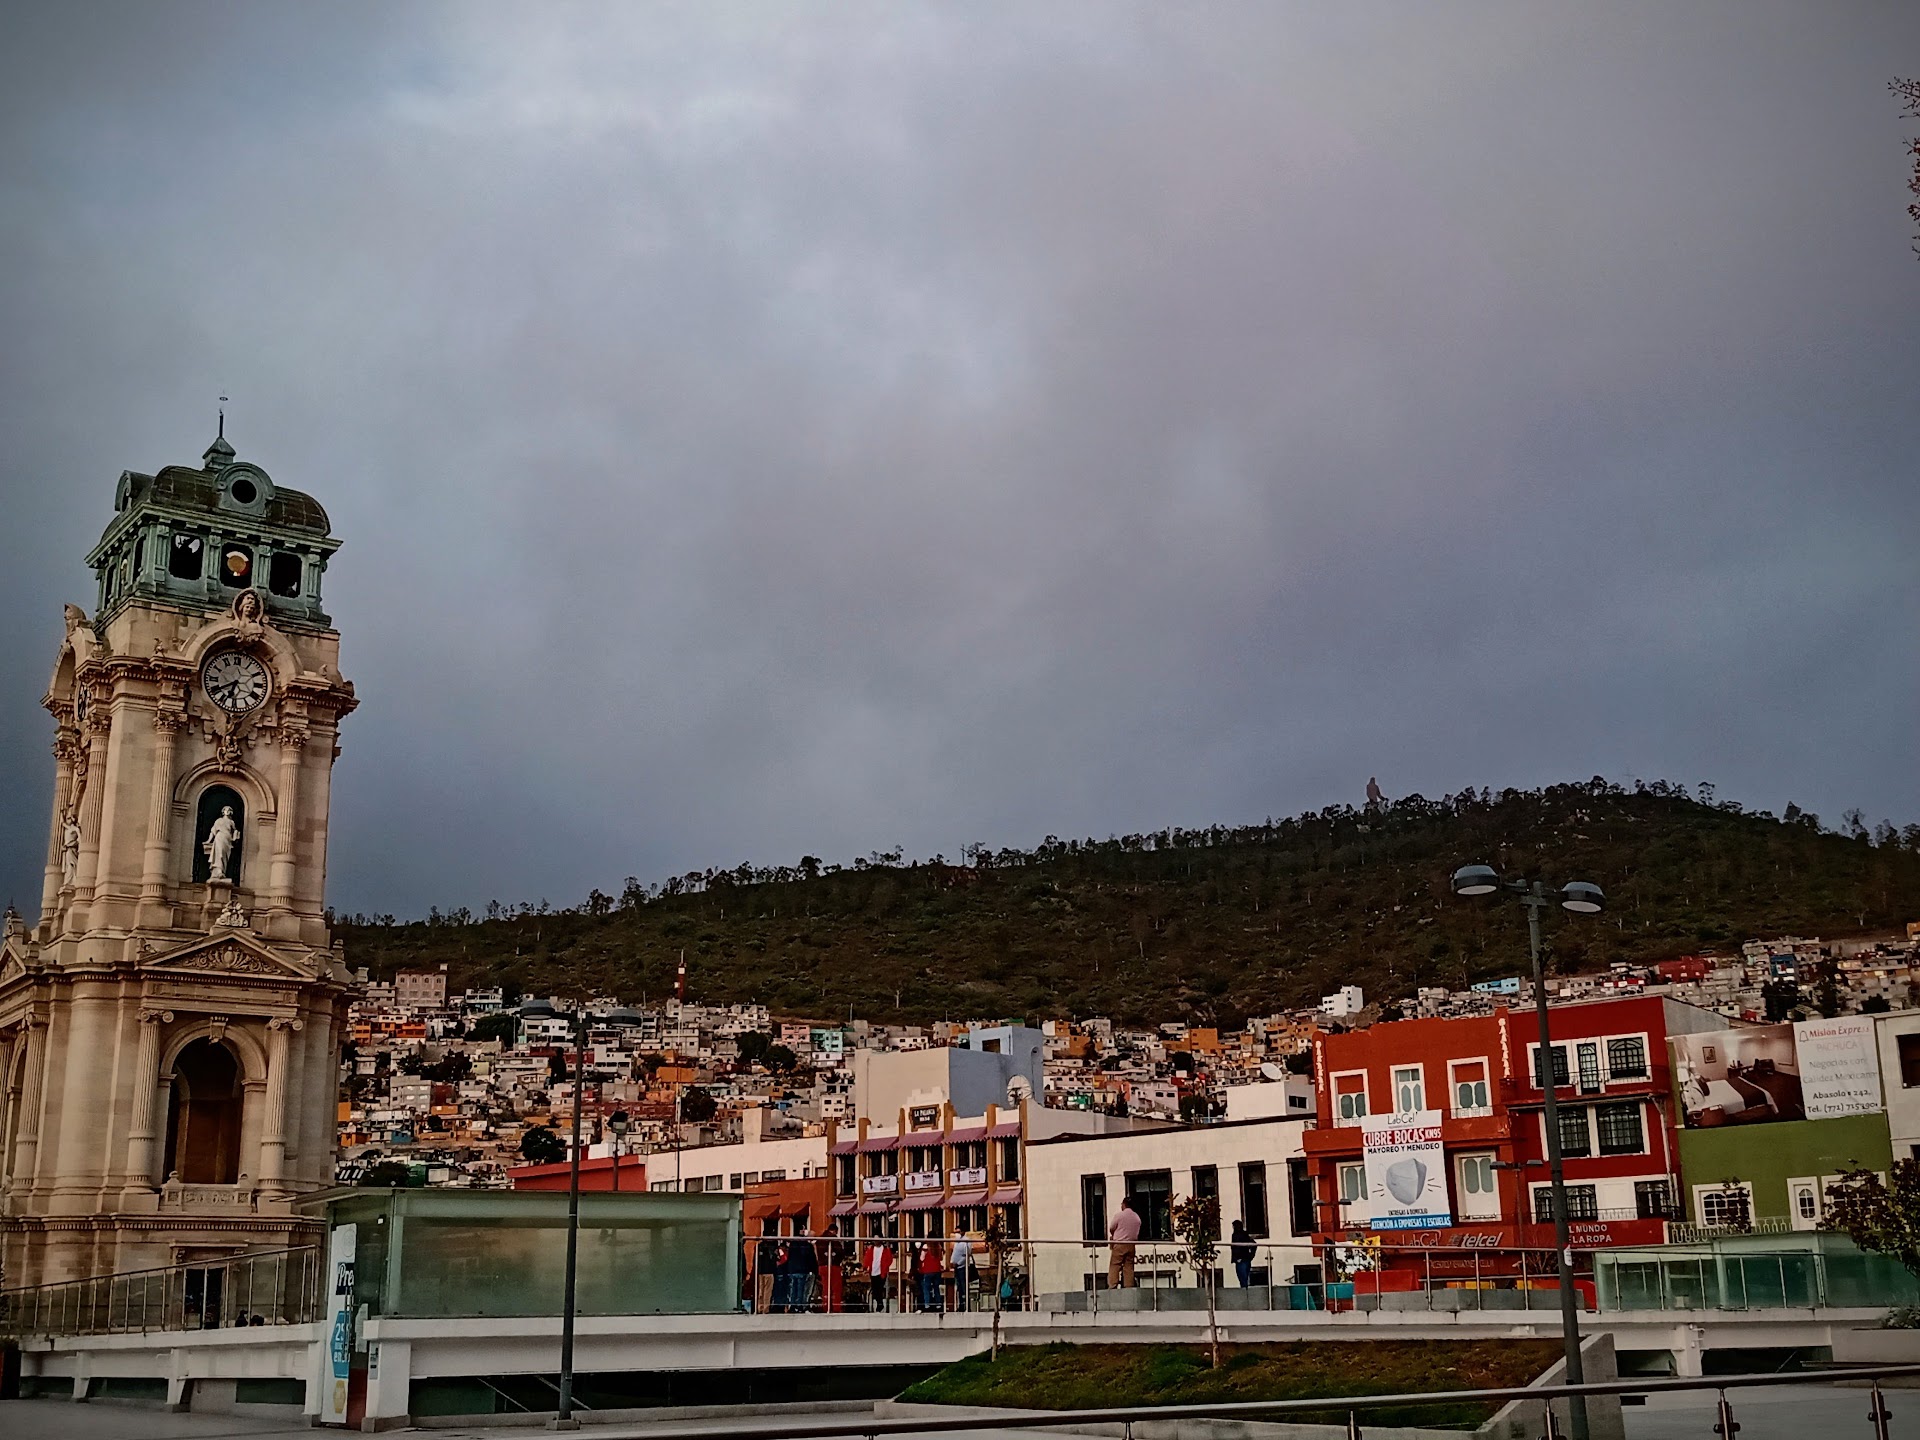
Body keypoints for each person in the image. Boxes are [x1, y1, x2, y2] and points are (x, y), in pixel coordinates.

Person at [1107, 1196, 1141, 1289]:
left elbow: (1111, 1227)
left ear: (1124, 1204)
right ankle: (1128, 1286)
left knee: (1115, 1265)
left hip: (1120, 1243)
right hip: (1131, 1245)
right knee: (1129, 1266)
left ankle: (1113, 1285)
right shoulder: (1136, 1217)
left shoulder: (1119, 1215)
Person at [754, 1227, 781, 1313]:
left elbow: (755, 1259)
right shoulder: (772, 1246)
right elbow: (776, 1258)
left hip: (760, 1271)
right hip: (769, 1271)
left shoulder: (759, 1246)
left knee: (760, 1291)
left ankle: (759, 1307)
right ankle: (765, 1309)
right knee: (767, 1291)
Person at [916, 1239, 944, 1312]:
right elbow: (941, 1258)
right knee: (936, 1288)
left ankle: (927, 1304)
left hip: (928, 1270)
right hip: (937, 1270)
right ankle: (938, 1304)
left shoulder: (925, 1246)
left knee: (926, 1288)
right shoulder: (939, 1246)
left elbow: (921, 1258)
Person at [949, 1233, 975, 1311]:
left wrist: (958, 1263)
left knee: (964, 1287)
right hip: (956, 1268)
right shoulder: (957, 1242)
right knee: (959, 1287)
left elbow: (967, 1254)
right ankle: (961, 1304)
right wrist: (952, 1262)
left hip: (963, 1267)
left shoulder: (966, 1241)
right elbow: (954, 1253)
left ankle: (966, 1305)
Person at [1230, 1220, 1256, 1288]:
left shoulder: (1238, 1235)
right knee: (1244, 1280)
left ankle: (1245, 1293)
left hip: (1241, 1260)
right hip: (1244, 1259)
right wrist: (1250, 1256)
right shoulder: (1244, 1234)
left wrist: (1239, 1258)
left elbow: (1236, 1248)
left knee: (1243, 1280)